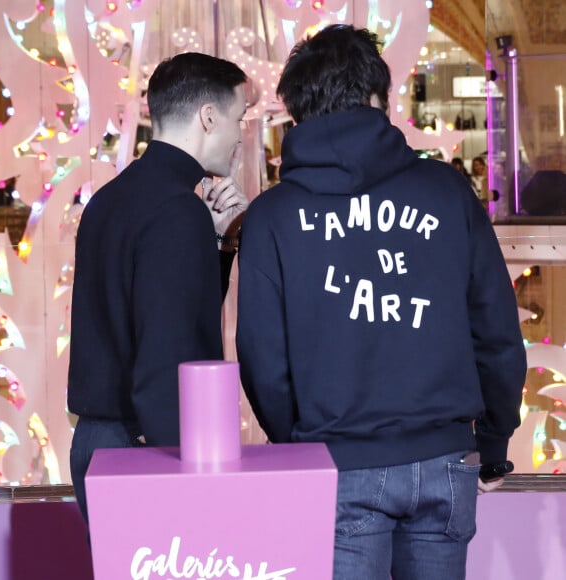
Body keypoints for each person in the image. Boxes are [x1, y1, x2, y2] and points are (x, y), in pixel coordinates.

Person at [236, 25, 526, 580]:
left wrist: (300, 446)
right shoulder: (446, 192)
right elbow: (495, 329)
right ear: (379, 97)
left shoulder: (273, 216)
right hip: (445, 457)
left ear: (296, 110)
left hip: (338, 463)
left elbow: (262, 356)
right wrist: (492, 440)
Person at [68, 52, 248, 525]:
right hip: (146, 445)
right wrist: (182, 460)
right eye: (240, 118)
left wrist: (216, 244)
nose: (240, 136)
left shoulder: (112, 198)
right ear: (208, 117)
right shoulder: (175, 209)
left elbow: (161, 310)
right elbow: (167, 351)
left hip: (98, 441)